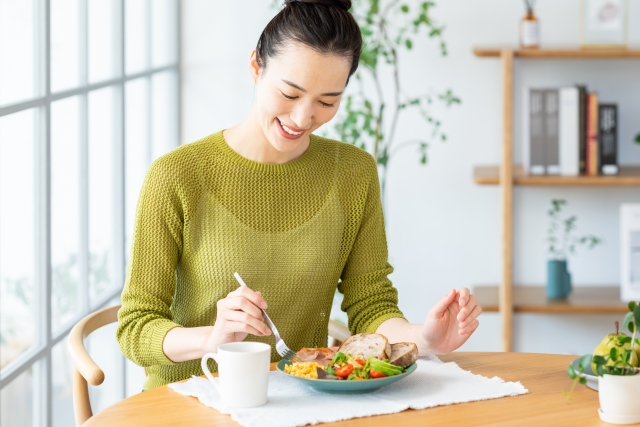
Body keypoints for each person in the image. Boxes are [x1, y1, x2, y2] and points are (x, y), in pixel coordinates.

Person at [117, 0, 481, 391]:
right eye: (290, 93)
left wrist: (423, 340)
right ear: (257, 66)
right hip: (189, 400)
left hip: (301, 401)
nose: (303, 118)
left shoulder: (353, 173)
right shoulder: (177, 175)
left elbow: (370, 305)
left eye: (328, 102)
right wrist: (211, 338)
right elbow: (136, 326)